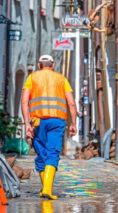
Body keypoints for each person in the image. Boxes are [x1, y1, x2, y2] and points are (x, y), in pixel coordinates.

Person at [21, 55, 77, 200]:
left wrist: (27, 124)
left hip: (37, 122)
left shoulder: (31, 78)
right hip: (57, 121)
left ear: (39, 65)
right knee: (52, 153)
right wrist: (73, 123)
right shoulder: (61, 79)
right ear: (52, 65)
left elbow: (24, 101)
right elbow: (71, 103)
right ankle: (46, 189)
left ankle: (46, 188)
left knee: (41, 154)